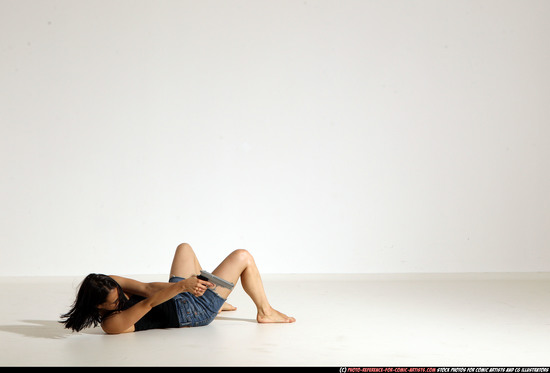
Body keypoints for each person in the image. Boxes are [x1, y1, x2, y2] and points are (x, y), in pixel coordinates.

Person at [60, 243, 295, 334]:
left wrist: (191, 287)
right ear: (97, 305)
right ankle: (265, 311)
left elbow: (147, 288)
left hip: (177, 295)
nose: (119, 300)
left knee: (184, 248)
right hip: (191, 314)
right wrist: (184, 286)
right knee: (243, 256)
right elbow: (149, 303)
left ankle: (214, 297)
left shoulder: (108, 283)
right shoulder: (111, 324)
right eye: (113, 302)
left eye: (118, 294)